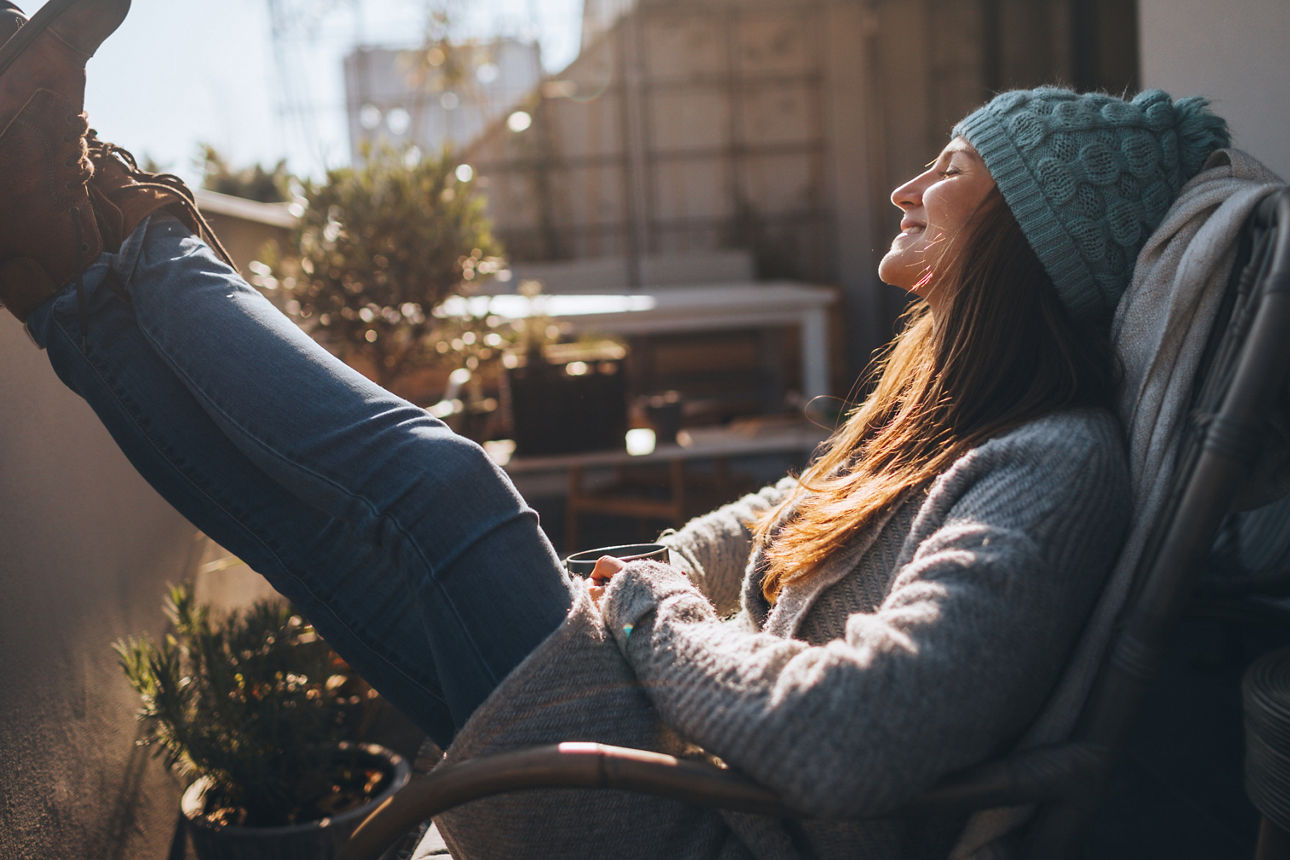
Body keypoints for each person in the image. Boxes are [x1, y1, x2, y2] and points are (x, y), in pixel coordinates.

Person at [0, 1, 1235, 857]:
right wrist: (648, 574)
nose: (910, 185)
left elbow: (855, 735)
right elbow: (771, 518)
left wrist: (646, 614)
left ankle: (106, 215)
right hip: (668, 775)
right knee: (326, 541)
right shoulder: (944, 434)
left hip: (690, 827)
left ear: (1025, 230)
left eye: (955, 164)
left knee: (444, 483)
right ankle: (60, 271)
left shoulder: (1057, 466)